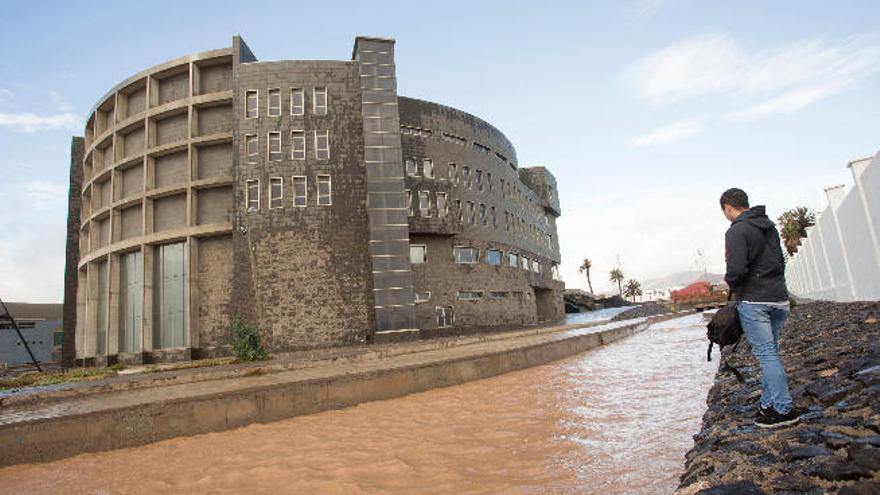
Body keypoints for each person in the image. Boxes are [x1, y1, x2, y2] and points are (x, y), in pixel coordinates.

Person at [720, 188, 800, 428]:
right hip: (778, 298)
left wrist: (734, 287)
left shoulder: (736, 231)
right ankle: (768, 405)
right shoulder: (769, 226)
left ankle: (784, 410)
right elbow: (779, 261)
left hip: (754, 301)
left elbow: (736, 270)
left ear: (728, 208)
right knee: (770, 354)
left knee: (766, 356)